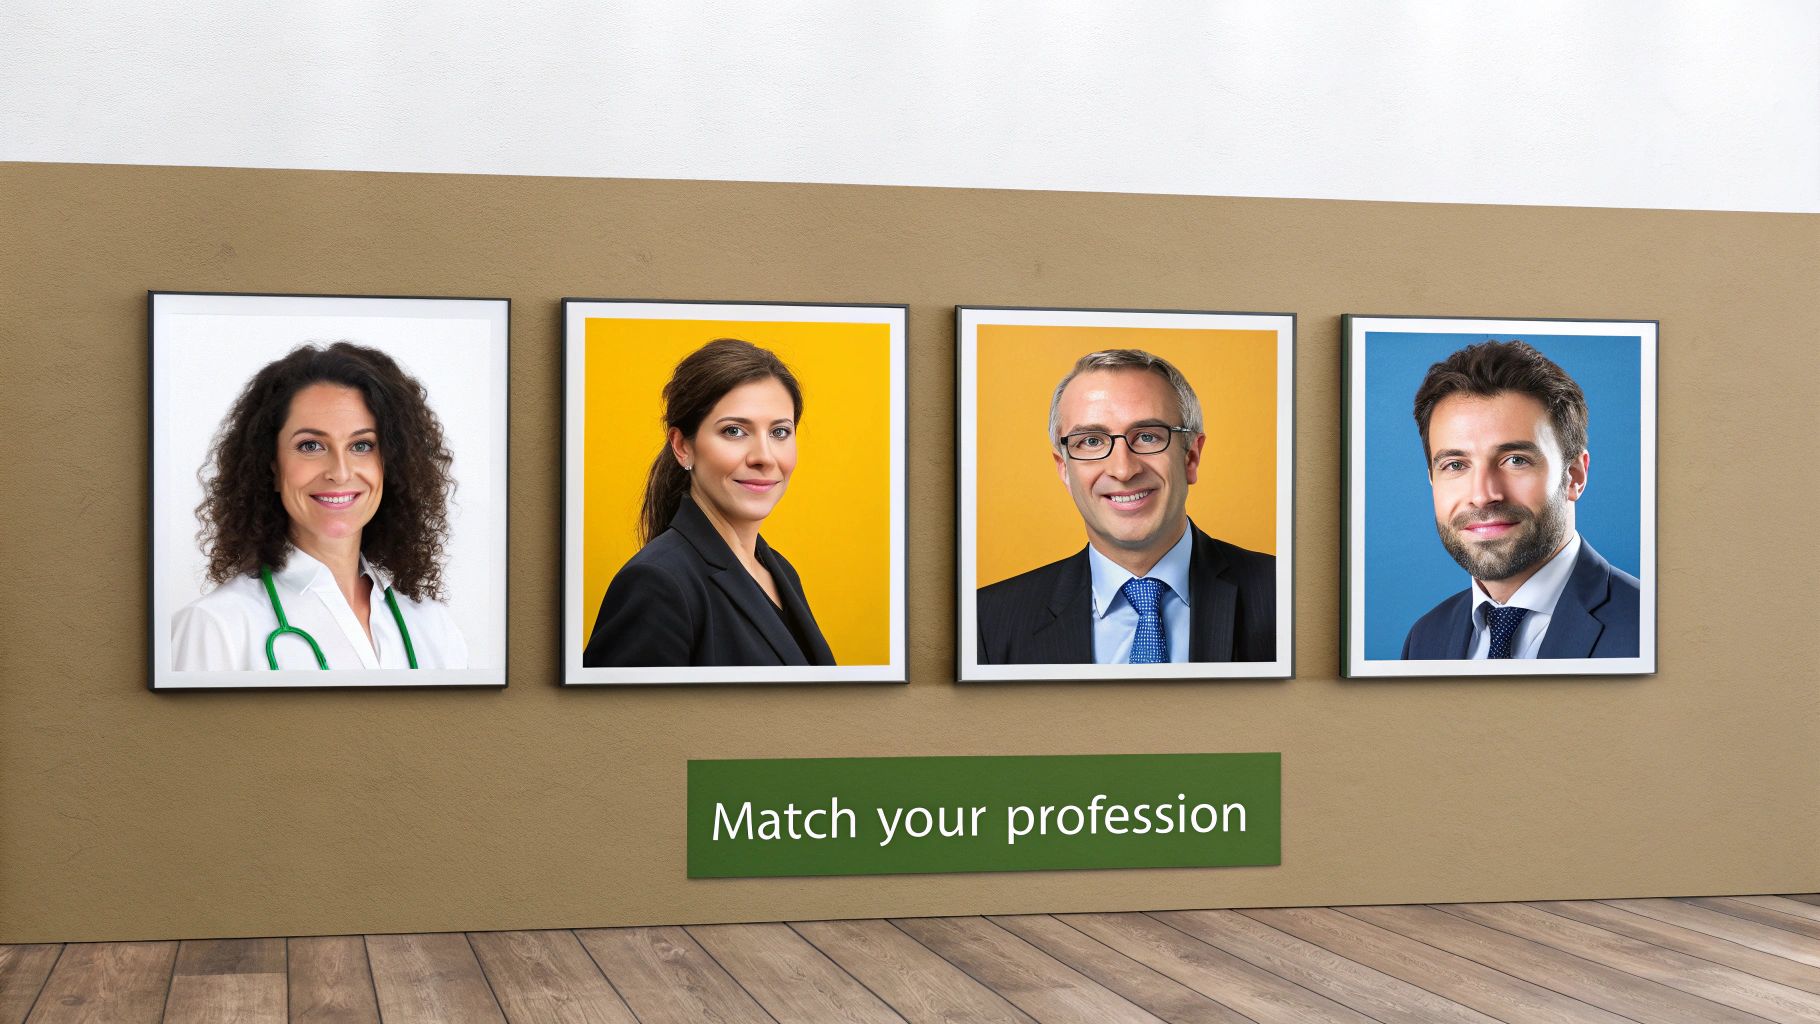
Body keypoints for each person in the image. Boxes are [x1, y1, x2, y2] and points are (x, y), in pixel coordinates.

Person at [171, 343, 468, 671]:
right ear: (270, 466)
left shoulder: (434, 627)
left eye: (361, 445)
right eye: (310, 446)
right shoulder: (216, 628)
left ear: (391, 464)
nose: (340, 472)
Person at [976, 349, 1276, 665]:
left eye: (1147, 436)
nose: (1123, 469)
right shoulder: (986, 622)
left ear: (1191, 457)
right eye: (1091, 441)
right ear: (1064, 469)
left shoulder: (1287, 596)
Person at [583, 339, 835, 667]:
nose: (764, 457)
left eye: (780, 432)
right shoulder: (657, 584)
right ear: (682, 446)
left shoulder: (779, 570)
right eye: (734, 431)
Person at [1401, 340, 1640, 660]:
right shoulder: (1425, 639)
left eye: (1515, 460)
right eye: (1455, 465)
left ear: (1574, 476)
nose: (1483, 496)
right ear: (1432, 478)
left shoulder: (1651, 629)